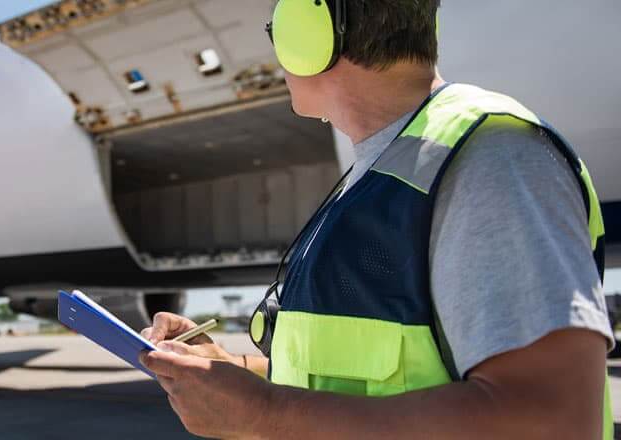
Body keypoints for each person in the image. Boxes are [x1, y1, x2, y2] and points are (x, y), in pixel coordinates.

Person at [138, 0, 614, 438]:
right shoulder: (388, 171)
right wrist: (230, 371)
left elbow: (556, 419)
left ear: (309, 34)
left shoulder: (489, 159)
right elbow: (365, 380)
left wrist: (265, 415)